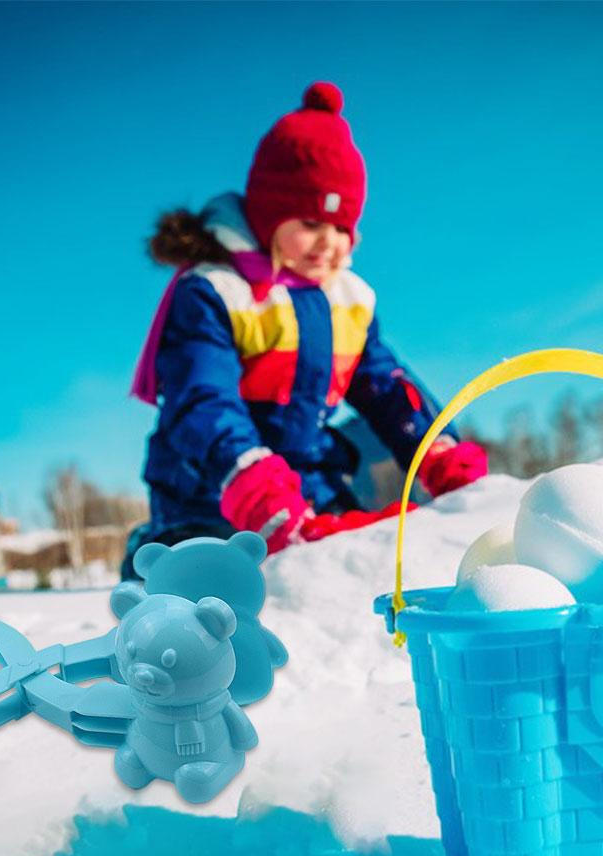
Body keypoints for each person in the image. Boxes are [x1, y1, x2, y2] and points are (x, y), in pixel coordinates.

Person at [124, 82, 486, 577]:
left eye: (343, 227)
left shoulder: (348, 303)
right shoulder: (215, 290)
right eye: (312, 222)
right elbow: (202, 396)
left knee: (360, 572)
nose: (330, 243)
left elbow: (386, 389)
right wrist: (249, 478)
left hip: (309, 485)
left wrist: (436, 453)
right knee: (221, 599)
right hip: (211, 492)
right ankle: (155, 560)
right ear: (270, 212)